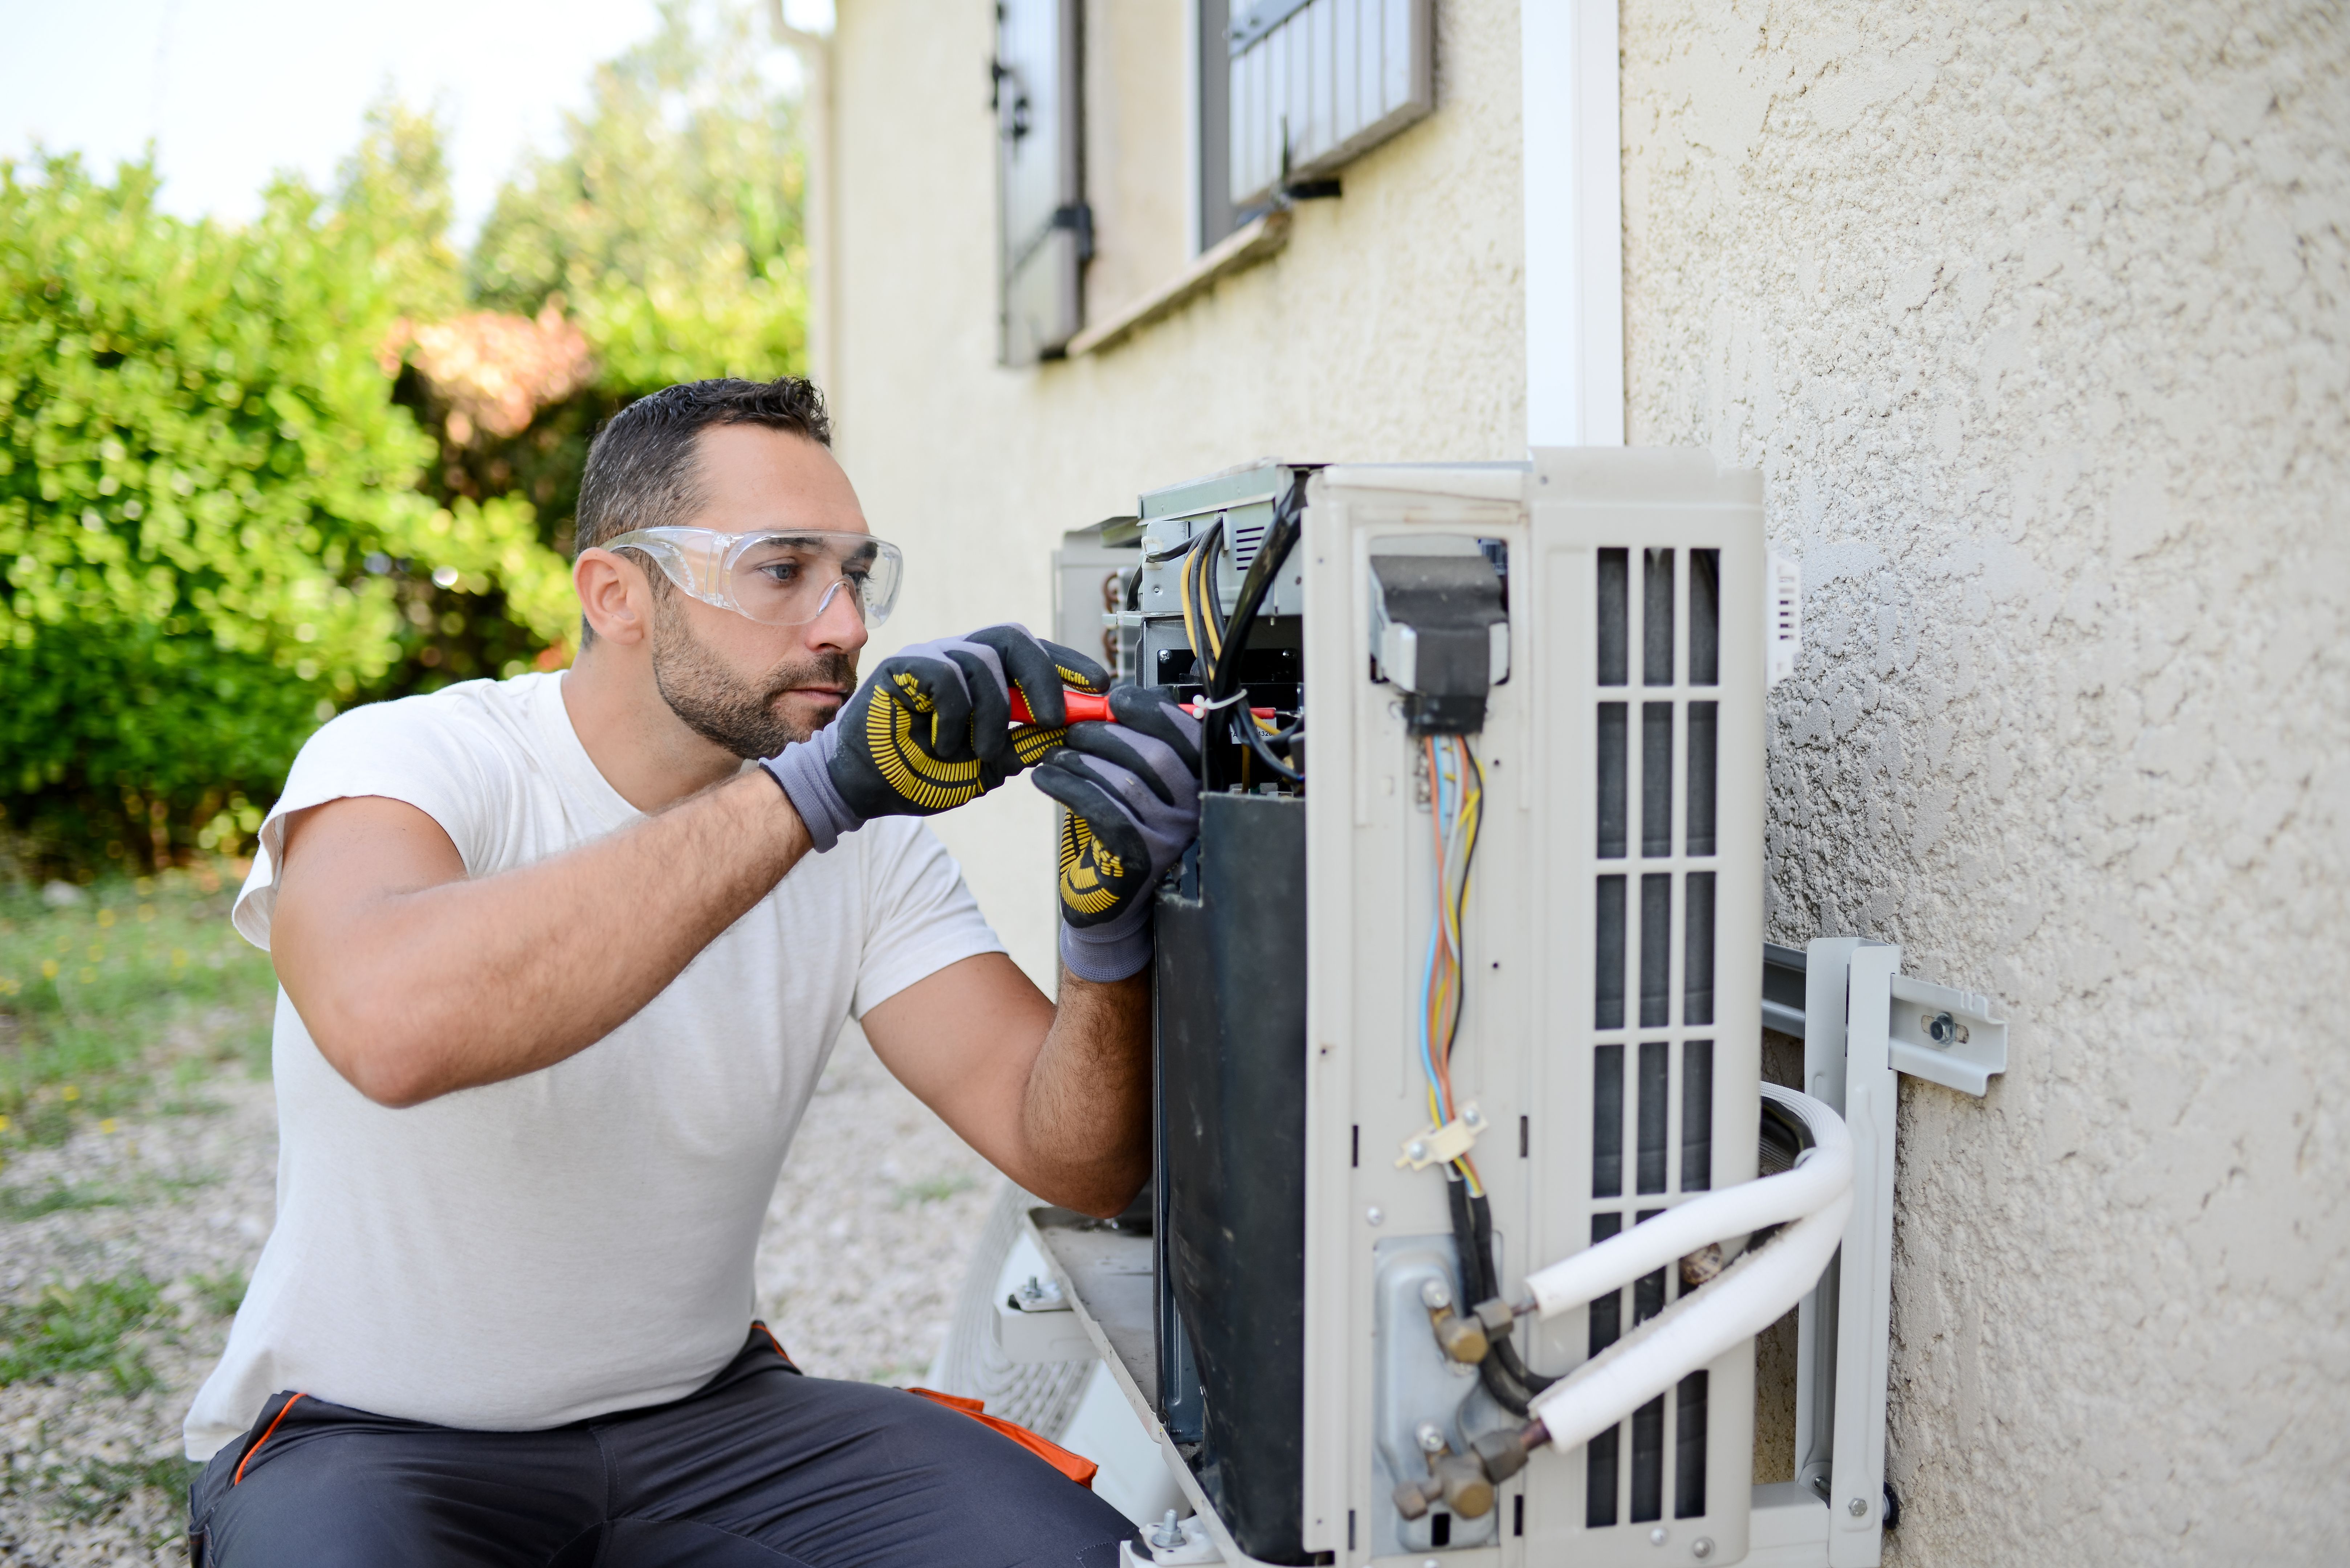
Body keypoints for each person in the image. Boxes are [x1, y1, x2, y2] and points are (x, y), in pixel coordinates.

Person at [182, 376, 1202, 1567]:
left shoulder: (863, 841)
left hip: (717, 1423)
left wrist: (1104, 939)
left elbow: (1076, 1156)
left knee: (1068, 1557)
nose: (844, 627)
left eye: (855, 575)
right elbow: (391, 1027)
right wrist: (811, 798)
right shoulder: (413, 758)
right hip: (365, 1441)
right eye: (781, 570)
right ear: (618, 593)